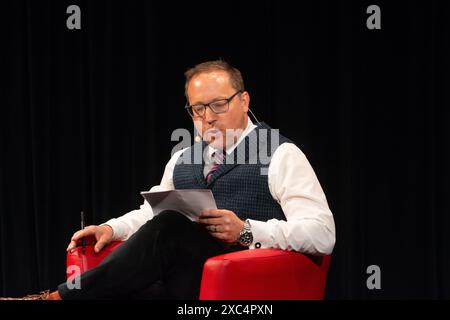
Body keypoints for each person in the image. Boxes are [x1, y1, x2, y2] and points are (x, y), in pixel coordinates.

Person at [1, 60, 335, 300]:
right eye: (198, 109)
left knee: (170, 227)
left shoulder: (280, 154)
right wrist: (111, 229)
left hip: (243, 282)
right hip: (183, 277)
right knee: (143, 264)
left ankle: (57, 299)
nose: (208, 117)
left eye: (219, 104)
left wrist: (247, 230)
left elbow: (322, 234)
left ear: (244, 101)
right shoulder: (182, 158)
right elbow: (151, 214)